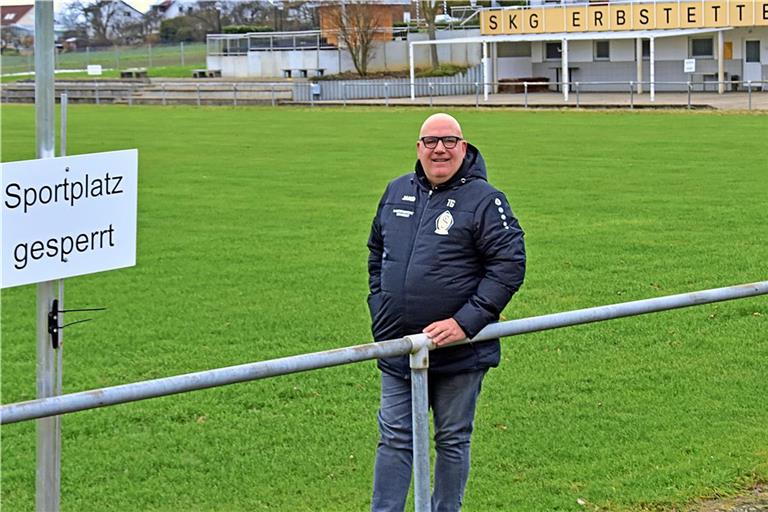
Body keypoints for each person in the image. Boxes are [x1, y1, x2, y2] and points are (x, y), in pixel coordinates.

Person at [367, 113, 526, 512]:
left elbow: (509, 265)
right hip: (398, 347)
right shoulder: (396, 191)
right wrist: (379, 305)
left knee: (452, 439)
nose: (440, 148)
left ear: (464, 146)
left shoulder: (486, 200)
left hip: (459, 352)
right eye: (431, 141)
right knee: (395, 437)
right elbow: (375, 253)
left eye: (449, 141)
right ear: (418, 148)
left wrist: (465, 323)